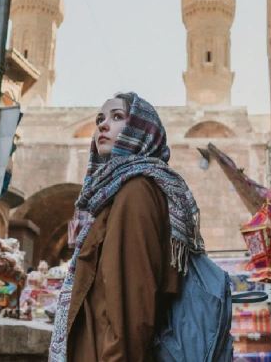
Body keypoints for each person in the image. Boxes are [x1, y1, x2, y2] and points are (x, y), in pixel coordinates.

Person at [49, 92, 204, 362]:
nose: (102, 125)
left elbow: (132, 309)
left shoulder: (135, 193)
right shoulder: (115, 194)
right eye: (100, 119)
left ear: (141, 130)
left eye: (117, 117)